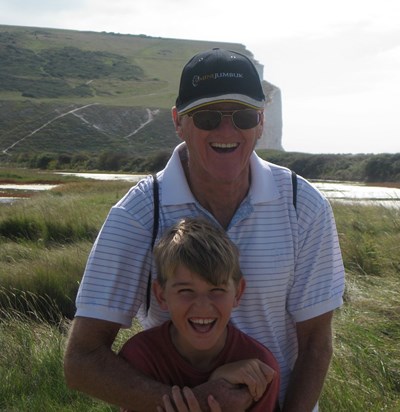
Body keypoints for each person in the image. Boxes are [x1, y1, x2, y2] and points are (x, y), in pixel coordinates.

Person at [64, 47, 345, 411]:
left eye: (243, 116)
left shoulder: (303, 205)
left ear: (260, 122)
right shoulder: (136, 214)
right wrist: (192, 403)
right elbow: (82, 361)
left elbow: (316, 345)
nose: (227, 130)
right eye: (208, 117)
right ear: (178, 121)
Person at [118, 217, 280, 412]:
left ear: (237, 293)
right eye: (186, 291)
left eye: (216, 290)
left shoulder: (259, 370)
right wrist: (213, 389)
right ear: (161, 295)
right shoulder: (140, 358)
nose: (203, 306)